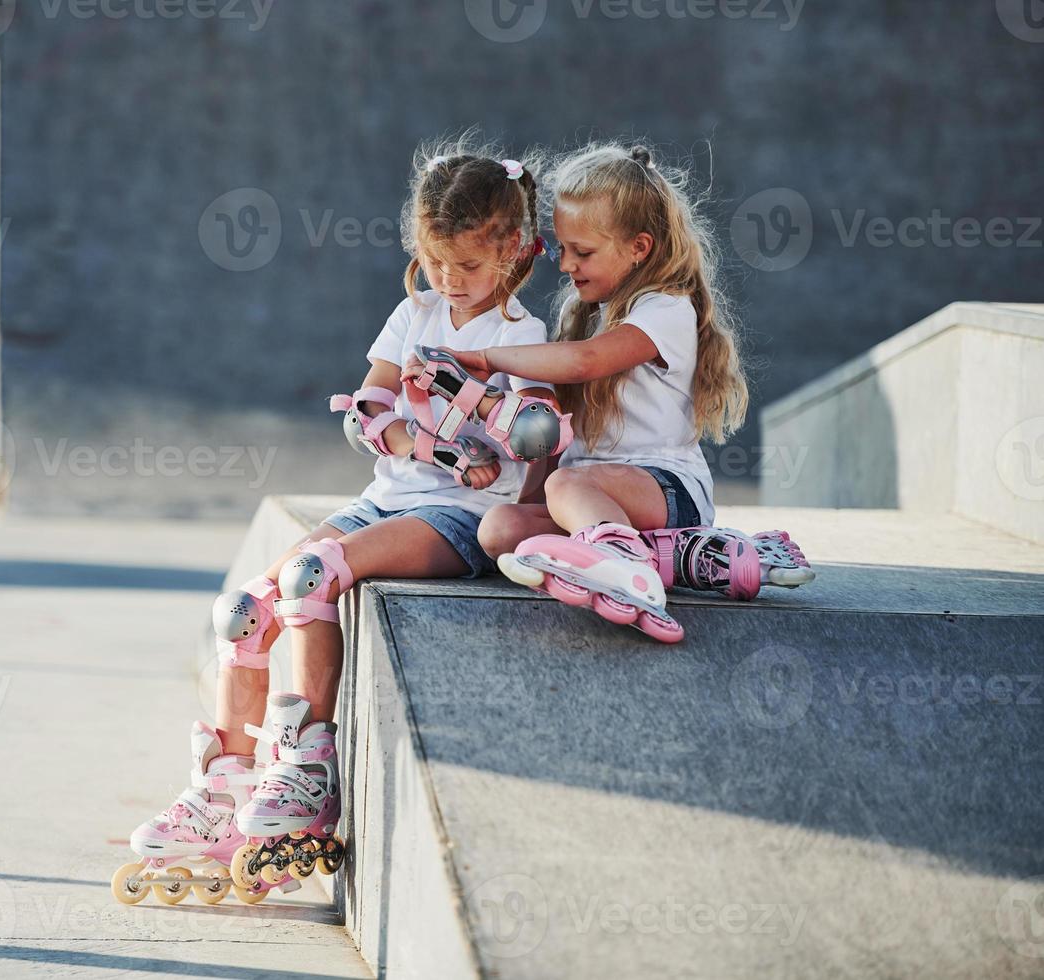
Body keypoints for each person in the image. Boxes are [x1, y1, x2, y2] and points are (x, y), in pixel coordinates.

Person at [111, 139, 566, 905]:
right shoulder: (415, 310)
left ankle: (306, 774)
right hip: (389, 496)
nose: (452, 283)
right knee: (243, 613)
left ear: (517, 253)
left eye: (469, 267)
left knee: (315, 573)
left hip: (458, 519)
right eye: (438, 262)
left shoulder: (521, 338)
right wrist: (416, 442)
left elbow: (533, 435)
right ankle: (225, 793)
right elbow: (370, 406)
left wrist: (482, 475)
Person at [406, 142, 813, 642]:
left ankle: (623, 563)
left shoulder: (666, 309)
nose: (565, 264)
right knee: (501, 530)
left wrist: (485, 358)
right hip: (599, 496)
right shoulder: (585, 314)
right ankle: (690, 557)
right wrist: (530, 495)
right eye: (562, 249)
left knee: (567, 488)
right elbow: (559, 438)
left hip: (667, 489)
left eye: (583, 252)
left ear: (638, 247)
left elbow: (585, 362)